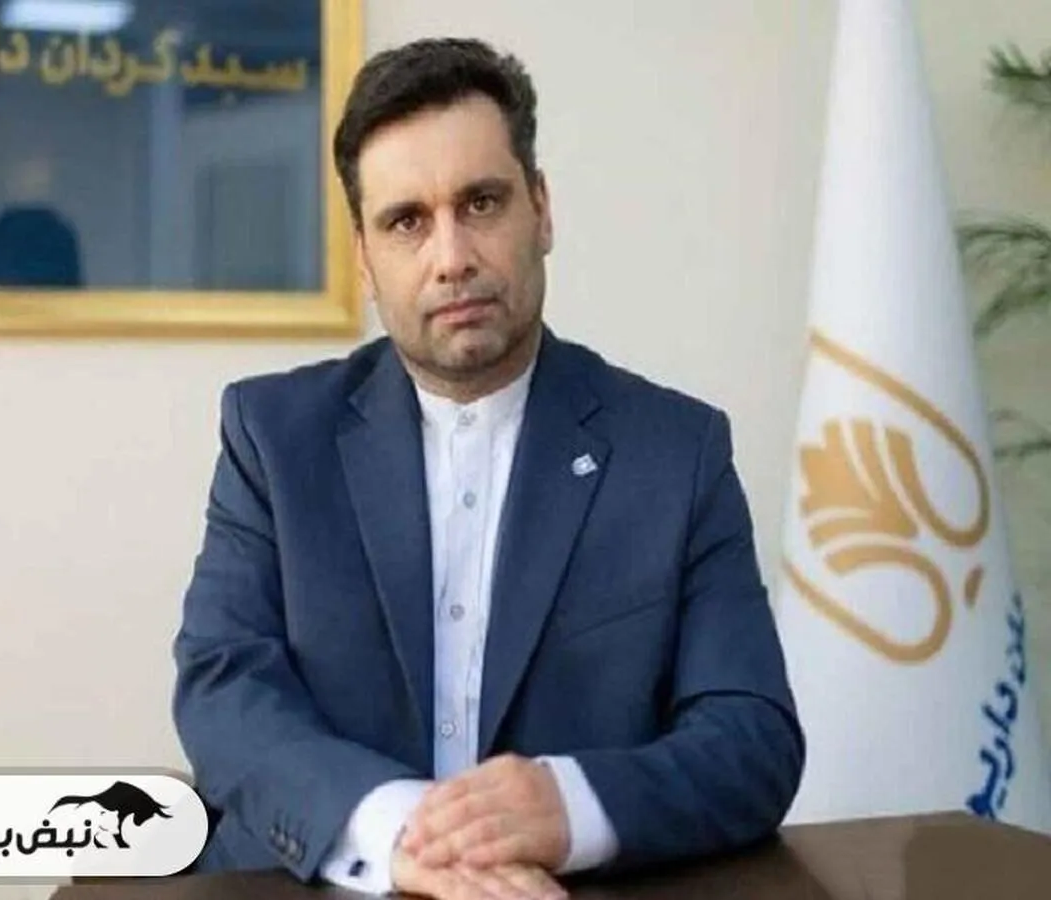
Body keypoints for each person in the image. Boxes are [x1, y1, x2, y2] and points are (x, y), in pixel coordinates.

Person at [172, 36, 804, 900]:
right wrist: (398, 833)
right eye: (407, 221)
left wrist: (568, 806)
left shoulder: (676, 453)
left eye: (481, 203)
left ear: (541, 211)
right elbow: (223, 689)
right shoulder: (274, 438)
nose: (452, 257)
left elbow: (751, 736)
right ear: (364, 256)